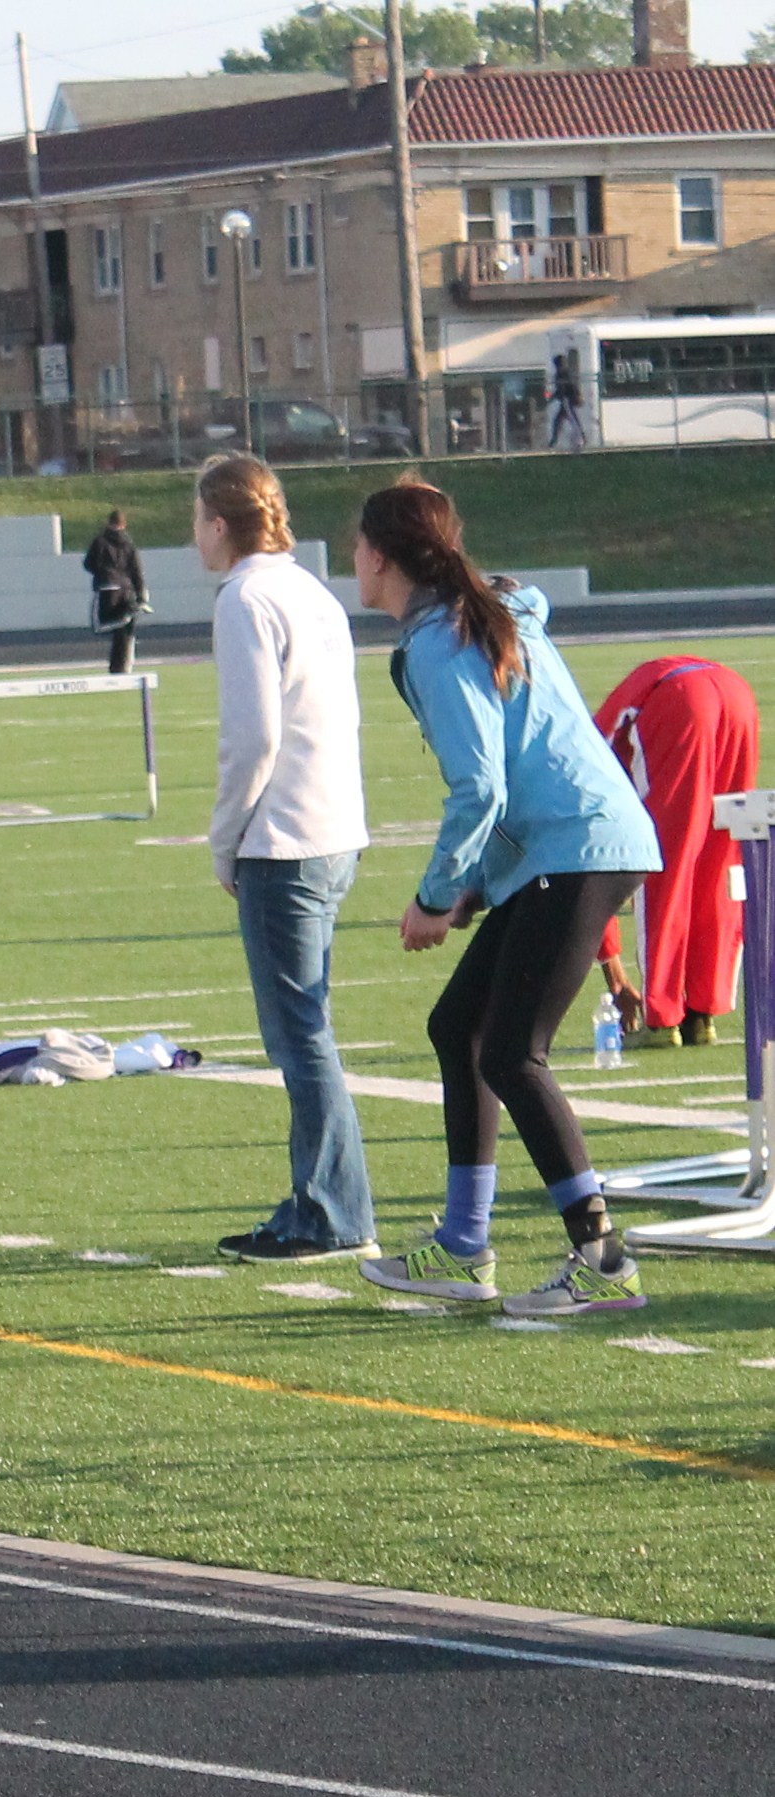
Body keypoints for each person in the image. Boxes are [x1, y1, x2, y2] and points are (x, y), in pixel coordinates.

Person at [352, 479, 660, 1318]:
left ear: (380, 557)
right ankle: (462, 1247)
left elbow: (482, 787)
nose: (353, 558)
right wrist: (475, 887)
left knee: (513, 1054)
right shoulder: (478, 614)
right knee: (459, 1027)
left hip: (578, 846)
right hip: (572, 843)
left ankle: (603, 1259)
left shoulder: (438, 641)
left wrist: (436, 894)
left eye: (358, 545)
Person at [197, 454, 378, 1266]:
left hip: (285, 837)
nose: (195, 536)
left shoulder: (245, 598)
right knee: (309, 1029)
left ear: (220, 522)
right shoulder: (310, 589)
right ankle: (320, 1201)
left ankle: (332, 1211)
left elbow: (253, 737)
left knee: (300, 1036)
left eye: (198, 519)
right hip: (334, 827)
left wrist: (224, 837)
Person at [594, 655, 760, 1047]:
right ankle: (703, 1012)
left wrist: (613, 972)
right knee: (721, 856)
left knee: (666, 863)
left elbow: (589, 865)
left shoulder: (572, 774)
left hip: (678, 700)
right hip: (737, 694)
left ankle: (663, 1017)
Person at [83, 507, 149, 676]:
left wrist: (103, 573)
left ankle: (118, 665)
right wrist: (141, 595)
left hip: (107, 588)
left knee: (100, 625)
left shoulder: (100, 541)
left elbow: (88, 564)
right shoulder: (129, 545)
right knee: (123, 629)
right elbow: (136, 571)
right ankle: (120, 667)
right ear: (124, 524)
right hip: (126, 589)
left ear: (108, 522)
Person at [548, 356, 585, 452]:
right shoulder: (560, 374)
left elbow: (571, 386)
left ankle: (581, 439)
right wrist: (552, 398)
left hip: (568, 399)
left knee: (572, 420)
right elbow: (560, 389)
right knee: (559, 420)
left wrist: (577, 395)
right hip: (565, 400)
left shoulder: (565, 374)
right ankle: (554, 440)